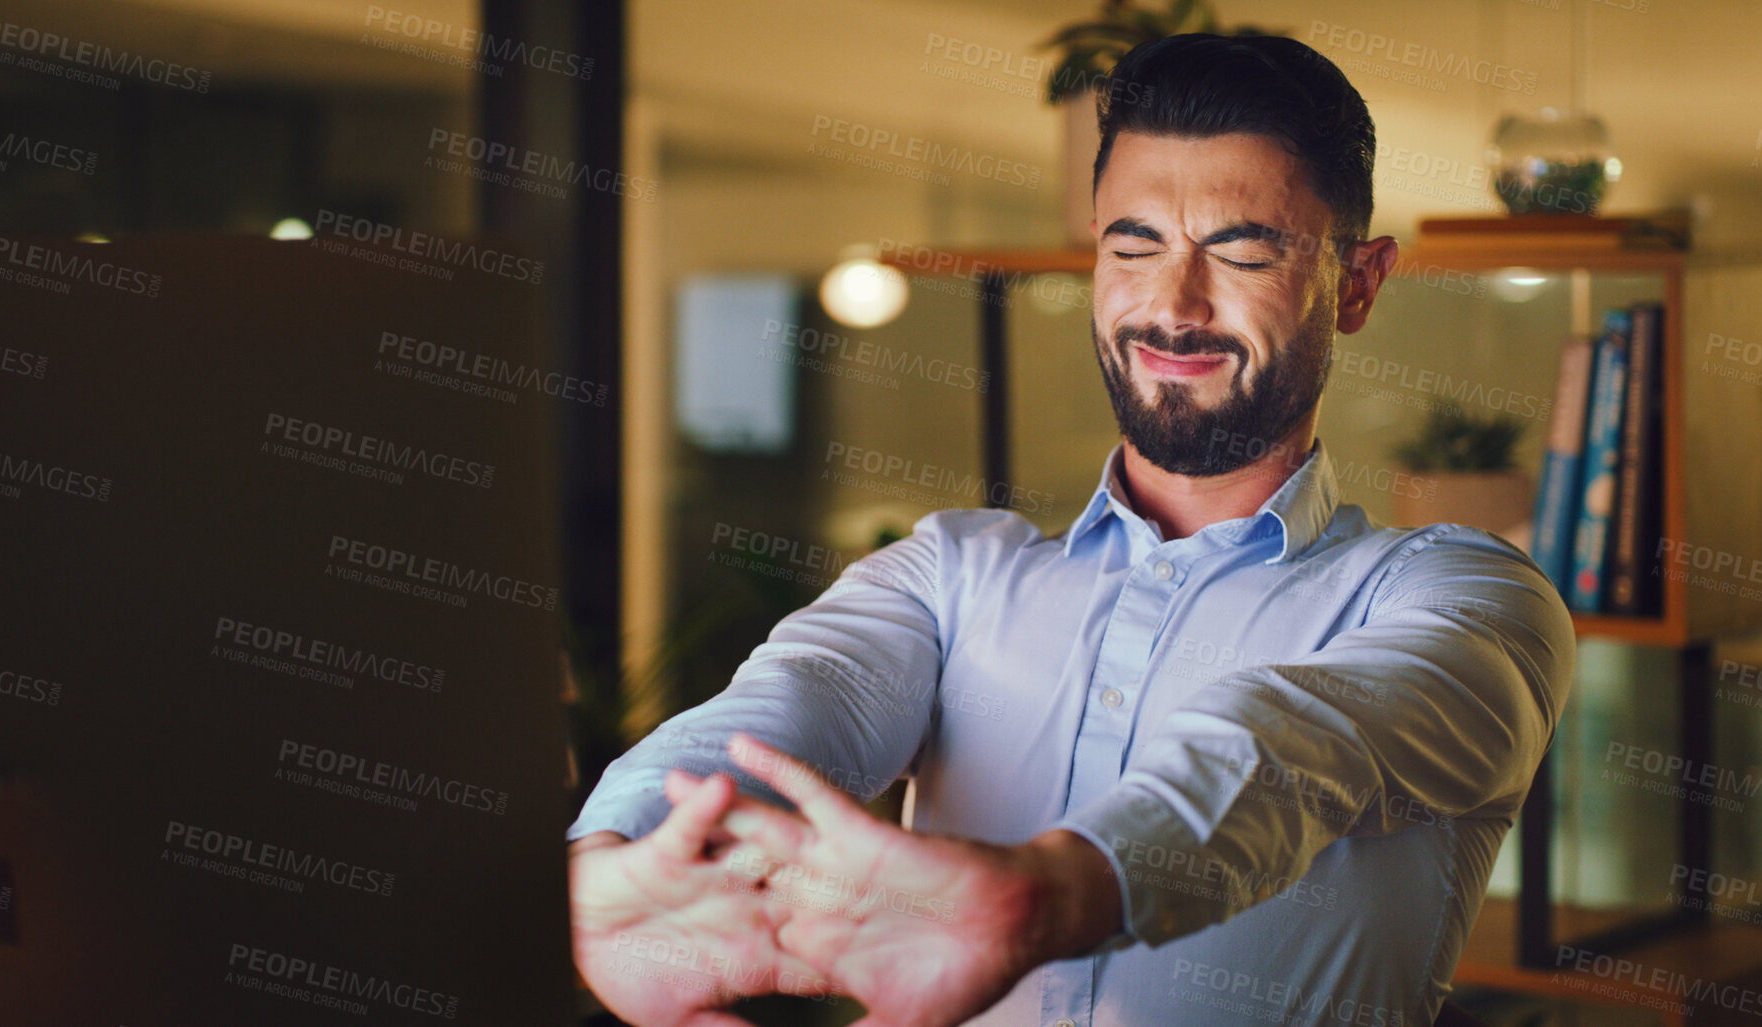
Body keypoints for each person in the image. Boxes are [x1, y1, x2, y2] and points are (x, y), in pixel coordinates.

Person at [568, 32, 1574, 1027]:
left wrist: (1044, 893)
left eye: (1242, 250)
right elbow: (786, 708)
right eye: (1132, 245)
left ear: (1356, 283)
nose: (1172, 305)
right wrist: (615, 859)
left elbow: (1296, 747)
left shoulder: (1466, 601)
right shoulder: (947, 576)